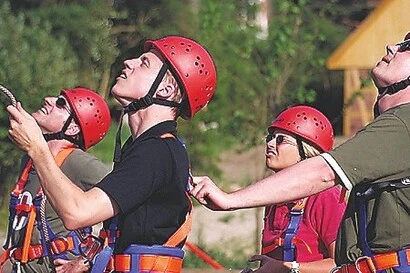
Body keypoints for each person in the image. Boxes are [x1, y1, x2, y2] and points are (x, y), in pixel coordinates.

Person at [191, 32, 410, 273]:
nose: (391, 47)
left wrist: (230, 200)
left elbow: (324, 172)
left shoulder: (404, 123)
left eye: (407, 47)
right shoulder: (393, 127)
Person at [7, 35, 217, 273]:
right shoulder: (146, 148)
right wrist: (87, 259)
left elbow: (77, 213)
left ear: (166, 89)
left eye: (144, 63)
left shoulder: (156, 153)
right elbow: (127, 230)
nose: (129, 62)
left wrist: (37, 147)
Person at [1, 87, 111, 273]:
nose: (48, 99)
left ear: (73, 127)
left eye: (60, 104)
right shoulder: (29, 160)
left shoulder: (79, 163)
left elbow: (127, 202)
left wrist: (89, 257)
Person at [241, 105, 346, 273]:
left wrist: (291, 268)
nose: (270, 143)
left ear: (305, 152)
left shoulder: (325, 196)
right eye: (270, 137)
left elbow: (343, 264)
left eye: (281, 140)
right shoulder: (275, 199)